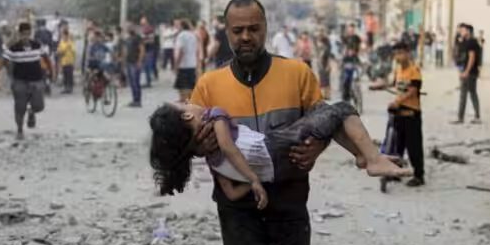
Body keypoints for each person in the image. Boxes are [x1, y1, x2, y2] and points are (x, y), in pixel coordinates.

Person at [185, 0, 331, 245]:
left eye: (254, 29)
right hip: (236, 204)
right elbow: (193, 143)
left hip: (288, 196)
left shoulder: (297, 74)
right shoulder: (209, 85)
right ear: (226, 32)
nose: (246, 37)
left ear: (265, 29)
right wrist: (197, 145)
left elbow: (323, 121)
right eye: (238, 30)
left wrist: (318, 146)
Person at [150, 100, 410, 205]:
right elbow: (230, 146)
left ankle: (362, 155)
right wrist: (253, 178)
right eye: (185, 103)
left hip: (278, 170)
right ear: (187, 114)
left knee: (323, 116)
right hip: (276, 146)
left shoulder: (212, 160)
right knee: (340, 109)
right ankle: (373, 159)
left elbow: (230, 192)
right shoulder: (216, 117)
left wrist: (260, 178)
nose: (190, 101)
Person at [0, 21, 51, 141]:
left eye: (28, 34)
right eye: (23, 34)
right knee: (20, 107)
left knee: (39, 106)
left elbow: (46, 58)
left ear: (30, 34)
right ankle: (20, 129)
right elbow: (2, 61)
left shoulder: (37, 45)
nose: (26, 36)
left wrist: (52, 71)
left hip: (36, 80)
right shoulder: (14, 48)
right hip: (20, 81)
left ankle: (32, 112)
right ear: (19, 34)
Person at [389, 42, 425, 187]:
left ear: (407, 53)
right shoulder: (398, 70)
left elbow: (413, 90)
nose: (398, 56)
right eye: (396, 53)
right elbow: (394, 85)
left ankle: (419, 175)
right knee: (399, 145)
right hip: (399, 114)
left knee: (414, 146)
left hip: (411, 114)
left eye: (401, 53)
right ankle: (398, 171)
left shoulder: (414, 69)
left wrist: (398, 102)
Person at [455, 24, 482, 124]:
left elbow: (472, 57)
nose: (460, 32)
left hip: (470, 72)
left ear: (467, 31)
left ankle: (465, 117)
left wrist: (466, 71)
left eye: (462, 30)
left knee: (468, 94)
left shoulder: (471, 42)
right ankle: (469, 116)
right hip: (468, 71)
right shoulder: (467, 42)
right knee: (468, 93)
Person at [173, 19, 199, 101]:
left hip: (183, 65)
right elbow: (197, 51)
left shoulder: (181, 36)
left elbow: (180, 51)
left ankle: (183, 105)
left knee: (182, 89)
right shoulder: (193, 35)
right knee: (191, 88)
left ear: (181, 26)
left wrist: (176, 64)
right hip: (192, 64)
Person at [124, 24, 144, 108]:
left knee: (136, 82)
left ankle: (138, 101)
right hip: (128, 62)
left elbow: (142, 49)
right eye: (127, 27)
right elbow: (125, 50)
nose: (128, 29)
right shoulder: (128, 38)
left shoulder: (138, 37)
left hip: (135, 62)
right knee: (131, 82)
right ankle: (134, 100)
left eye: (130, 27)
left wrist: (139, 61)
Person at [57, 28, 76, 94]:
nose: (64, 37)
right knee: (65, 75)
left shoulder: (70, 43)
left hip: (69, 61)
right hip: (63, 61)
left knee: (69, 75)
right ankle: (66, 87)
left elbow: (74, 52)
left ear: (67, 35)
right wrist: (59, 52)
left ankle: (70, 87)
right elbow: (59, 50)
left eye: (65, 35)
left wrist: (74, 61)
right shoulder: (61, 42)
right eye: (63, 35)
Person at [140, 17, 158, 87]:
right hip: (144, 50)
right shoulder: (142, 30)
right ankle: (146, 81)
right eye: (142, 23)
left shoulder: (150, 30)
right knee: (145, 67)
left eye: (144, 23)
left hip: (149, 50)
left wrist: (142, 42)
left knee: (148, 66)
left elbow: (151, 40)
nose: (143, 24)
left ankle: (148, 82)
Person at [316, 33, 333, 100]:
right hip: (321, 67)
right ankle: (324, 95)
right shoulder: (320, 49)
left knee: (325, 81)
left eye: (319, 41)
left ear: (322, 42)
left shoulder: (325, 49)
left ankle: (326, 95)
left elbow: (328, 58)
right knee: (323, 81)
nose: (318, 43)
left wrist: (328, 66)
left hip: (325, 66)